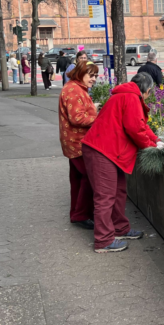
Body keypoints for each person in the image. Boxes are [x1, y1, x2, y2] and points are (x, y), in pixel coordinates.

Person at [82, 72, 161, 253]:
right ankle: (103, 240)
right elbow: (135, 128)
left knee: (118, 191)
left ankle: (119, 228)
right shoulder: (131, 98)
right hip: (102, 150)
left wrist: (155, 140)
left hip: (107, 150)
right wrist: (151, 145)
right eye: (150, 93)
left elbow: (141, 126)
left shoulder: (126, 95)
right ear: (147, 90)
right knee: (106, 196)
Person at [59, 62, 99, 230]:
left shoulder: (74, 87)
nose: (94, 79)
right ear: (81, 73)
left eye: (96, 76)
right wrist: (99, 118)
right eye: (91, 75)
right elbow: (77, 118)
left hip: (73, 141)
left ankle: (76, 213)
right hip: (78, 142)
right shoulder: (74, 90)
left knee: (77, 179)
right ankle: (81, 215)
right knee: (90, 178)